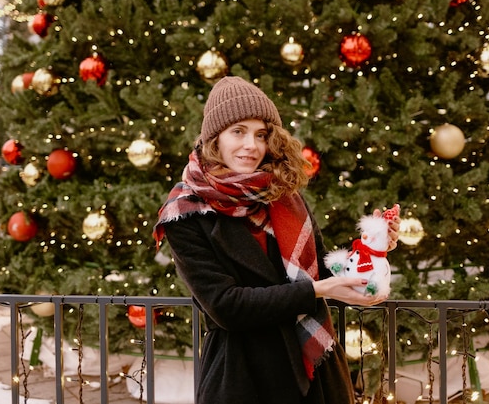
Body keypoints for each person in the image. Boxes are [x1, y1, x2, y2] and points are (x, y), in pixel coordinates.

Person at [153, 76, 400, 404]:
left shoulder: (284, 195)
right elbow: (226, 306)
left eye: (261, 134)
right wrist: (313, 291)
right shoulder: (185, 212)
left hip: (317, 370)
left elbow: (322, 272)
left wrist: (372, 249)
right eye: (238, 132)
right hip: (243, 375)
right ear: (215, 138)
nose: (251, 146)